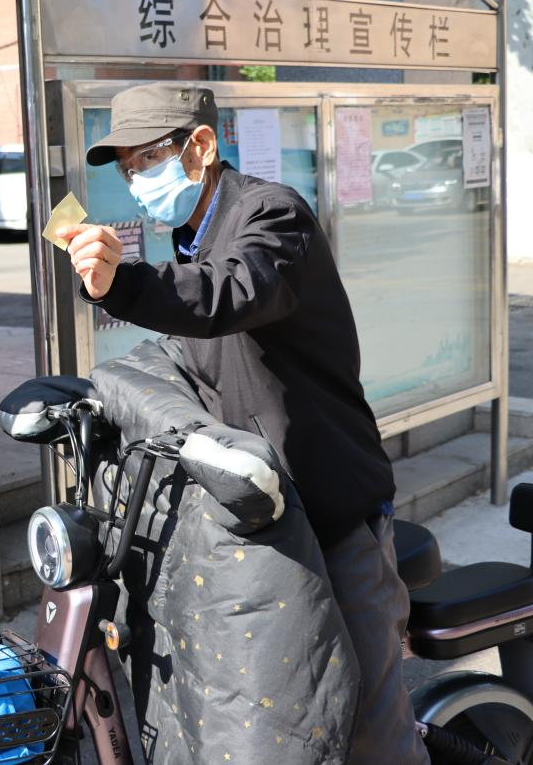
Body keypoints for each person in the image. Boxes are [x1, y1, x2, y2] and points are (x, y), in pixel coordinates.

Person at [57, 82, 429, 765]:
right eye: (128, 170)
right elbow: (196, 352)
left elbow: (232, 292)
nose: (137, 182)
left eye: (147, 159)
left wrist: (124, 284)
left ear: (200, 146)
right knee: (282, 718)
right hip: (265, 515)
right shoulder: (190, 234)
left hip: (331, 509)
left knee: (371, 734)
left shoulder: (271, 214)